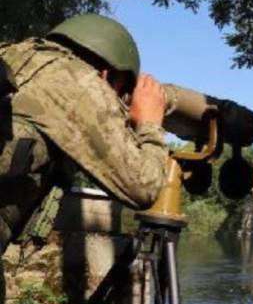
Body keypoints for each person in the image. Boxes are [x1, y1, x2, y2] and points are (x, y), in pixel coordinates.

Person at [0, 13, 170, 251]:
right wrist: (151, 123)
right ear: (106, 75)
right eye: (120, 92)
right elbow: (143, 187)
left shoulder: (11, 53)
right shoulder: (83, 84)